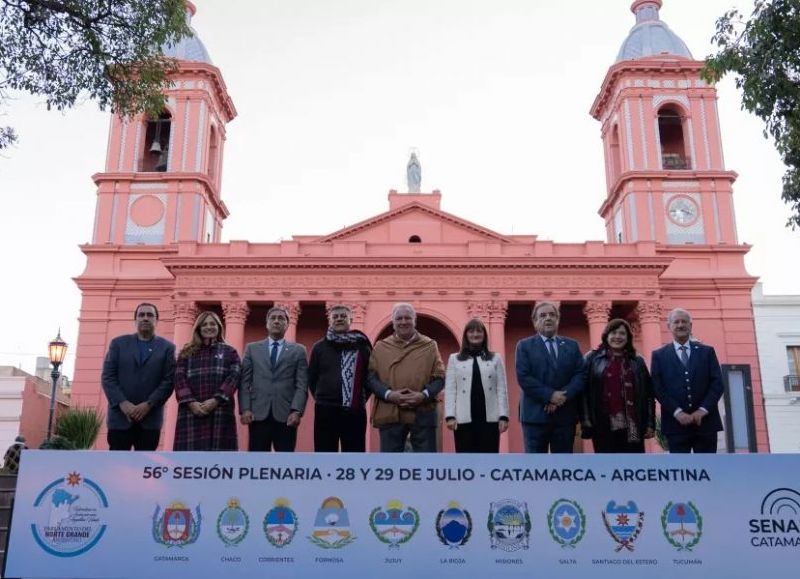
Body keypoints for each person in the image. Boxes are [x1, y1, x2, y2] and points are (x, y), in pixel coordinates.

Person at [367, 303, 445, 452]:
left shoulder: (429, 345)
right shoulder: (380, 347)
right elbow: (370, 378)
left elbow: (440, 377)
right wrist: (389, 395)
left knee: (426, 466)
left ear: (414, 321)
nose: (403, 322)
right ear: (393, 322)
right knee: (390, 466)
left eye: (408, 318)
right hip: (390, 412)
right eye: (399, 318)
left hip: (423, 412)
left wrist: (423, 395)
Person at [100, 303, 176, 450]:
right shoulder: (118, 344)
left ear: (156, 320)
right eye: (141, 315)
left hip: (150, 420)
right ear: (135, 320)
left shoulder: (167, 348)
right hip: (120, 419)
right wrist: (123, 403)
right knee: (117, 466)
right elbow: (108, 377)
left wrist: (148, 405)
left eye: (150, 315)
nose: (145, 318)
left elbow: (169, 381)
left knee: (145, 469)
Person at [515, 301, 585, 453]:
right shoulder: (524, 346)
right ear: (535, 322)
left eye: (552, 315)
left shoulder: (572, 346)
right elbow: (524, 377)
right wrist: (550, 396)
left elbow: (580, 374)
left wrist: (561, 397)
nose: (548, 318)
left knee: (563, 467)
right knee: (535, 468)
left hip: (565, 416)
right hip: (534, 416)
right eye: (543, 315)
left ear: (557, 320)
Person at [651, 308, 723, 453]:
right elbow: (657, 388)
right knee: (680, 472)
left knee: (708, 470)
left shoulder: (707, 352)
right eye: (676, 322)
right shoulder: (659, 355)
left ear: (691, 325)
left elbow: (717, 384)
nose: (680, 325)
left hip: (706, 423)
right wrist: (677, 412)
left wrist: (702, 410)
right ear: (669, 326)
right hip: (675, 425)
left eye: (684, 322)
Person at [239, 306, 308, 451]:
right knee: (257, 461)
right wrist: (245, 408)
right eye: (273, 318)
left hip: (286, 415)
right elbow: (245, 382)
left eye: (281, 318)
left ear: (287, 324)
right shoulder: (252, 349)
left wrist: (296, 411)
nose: (276, 321)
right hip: (258, 414)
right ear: (267, 323)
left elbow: (302, 384)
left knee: (285, 461)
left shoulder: (298, 350)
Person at [580, 318, 655, 453]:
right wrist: (586, 421)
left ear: (628, 337)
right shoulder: (591, 358)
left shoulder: (637, 361)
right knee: (607, 466)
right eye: (613, 333)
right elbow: (583, 393)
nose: (617, 337)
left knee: (633, 467)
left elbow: (648, 394)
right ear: (606, 335)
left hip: (633, 425)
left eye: (622, 333)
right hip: (602, 424)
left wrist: (650, 424)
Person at [173, 311, 241, 451]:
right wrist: (191, 403)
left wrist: (216, 400)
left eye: (212, 323)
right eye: (204, 324)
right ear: (198, 328)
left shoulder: (230, 352)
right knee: (189, 461)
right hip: (191, 413)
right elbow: (179, 379)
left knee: (220, 460)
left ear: (219, 327)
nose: (208, 327)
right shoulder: (186, 352)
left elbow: (234, 377)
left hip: (220, 411)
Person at [308, 304, 372, 452]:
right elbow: (312, 377)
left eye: (343, 316)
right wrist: (322, 396)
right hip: (325, 409)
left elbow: (370, 376)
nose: (339, 319)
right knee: (324, 453)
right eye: (335, 317)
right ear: (330, 321)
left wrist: (357, 397)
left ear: (350, 319)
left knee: (354, 454)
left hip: (354, 410)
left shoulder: (361, 345)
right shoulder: (319, 347)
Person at [444, 318, 509, 453]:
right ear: (466, 335)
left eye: (479, 331)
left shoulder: (495, 358)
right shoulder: (454, 359)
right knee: (465, 458)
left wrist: (503, 416)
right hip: (463, 417)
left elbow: (501, 389)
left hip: (489, 417)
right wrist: (450, 415)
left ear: (484, 335)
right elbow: (450, 390)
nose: (475, 335)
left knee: (489, 457)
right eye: (471, 331)